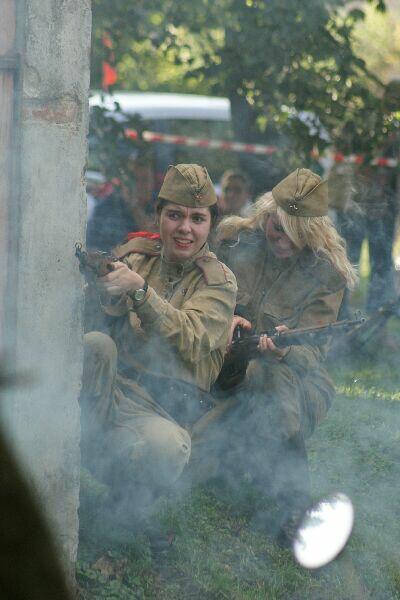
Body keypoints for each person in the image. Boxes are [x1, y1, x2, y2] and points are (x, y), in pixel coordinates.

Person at [80, 164, 237, 518]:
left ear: (210, 225)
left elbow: (192, 338)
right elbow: (95, 316)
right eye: (175, 215)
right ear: (158, 216)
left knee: (166, 449)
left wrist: (139, 292)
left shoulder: (219, 282)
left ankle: (126, 508)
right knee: (95, 344)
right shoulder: (136, 255)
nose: (185, 228)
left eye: (197, 219)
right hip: (112, 390)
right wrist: (101, 291)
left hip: (162, 411)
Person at [212, 168, 357, 544]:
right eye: (277, 228)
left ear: (313, 232)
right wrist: (225, 321)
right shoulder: (234, 241)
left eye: (296, 234)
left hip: (294, 383)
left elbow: (313, 353)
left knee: (267, 377)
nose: (283, 240)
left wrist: (284, 350)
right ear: (266, 216)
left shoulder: (327, 274)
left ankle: (294, 505)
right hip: (221, 364)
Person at [86, 156, 157, 252]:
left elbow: (158, 242)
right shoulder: (107, 210)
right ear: (125, 183)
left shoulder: (158, 205)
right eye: (135, 180)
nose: (141, 186)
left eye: (145, 179)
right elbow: (97, 250)